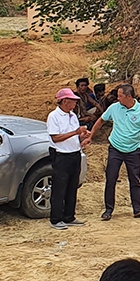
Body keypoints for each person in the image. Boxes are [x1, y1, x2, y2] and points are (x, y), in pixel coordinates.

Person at [88, 84, 140, 220]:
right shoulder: (114, 108)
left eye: (120, 96)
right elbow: (101, 120)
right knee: (110, 179)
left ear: (129, 96)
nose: (118, 98)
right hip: (115, 148)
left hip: (133, 150)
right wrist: (90, 136)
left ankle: (138, 210)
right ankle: (108, 210)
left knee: (134, 180)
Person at [47, 88, 90, 230]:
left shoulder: (72, 115)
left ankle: (69, 216)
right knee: (59, 187)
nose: (75, 103)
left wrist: (81, 136)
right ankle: (56, 218)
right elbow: (55, 137)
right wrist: (75, 132)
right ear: (65, 101)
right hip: (61, 155)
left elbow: (74, 135)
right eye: (73, 101)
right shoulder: (54, 116)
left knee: (72, 186)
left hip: (74, 153)